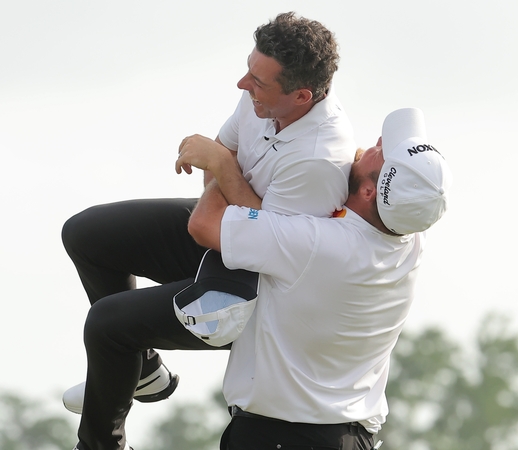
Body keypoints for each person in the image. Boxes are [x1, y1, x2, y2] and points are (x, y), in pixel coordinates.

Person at [62, 11, 354, 450]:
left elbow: (269, 246)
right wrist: (226, 179)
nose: (242, 84)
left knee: (106, 324)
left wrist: (222, 166)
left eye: (258, 81)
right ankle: (140, 370)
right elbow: (216, 194)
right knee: (87, 233)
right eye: (249, 70)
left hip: (266, 293)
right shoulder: (259, 97)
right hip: (230, 238)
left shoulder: (319, 159)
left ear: (301, 95)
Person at [122, 107, 450, 450]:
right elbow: (376, 184)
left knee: (112, 322)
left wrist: (225, 164)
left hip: (283, 438)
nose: (378, 142)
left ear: (370, 193)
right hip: (345, 437)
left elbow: (205, 223)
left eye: (382, 153)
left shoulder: (319, 242)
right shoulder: (410, 238)